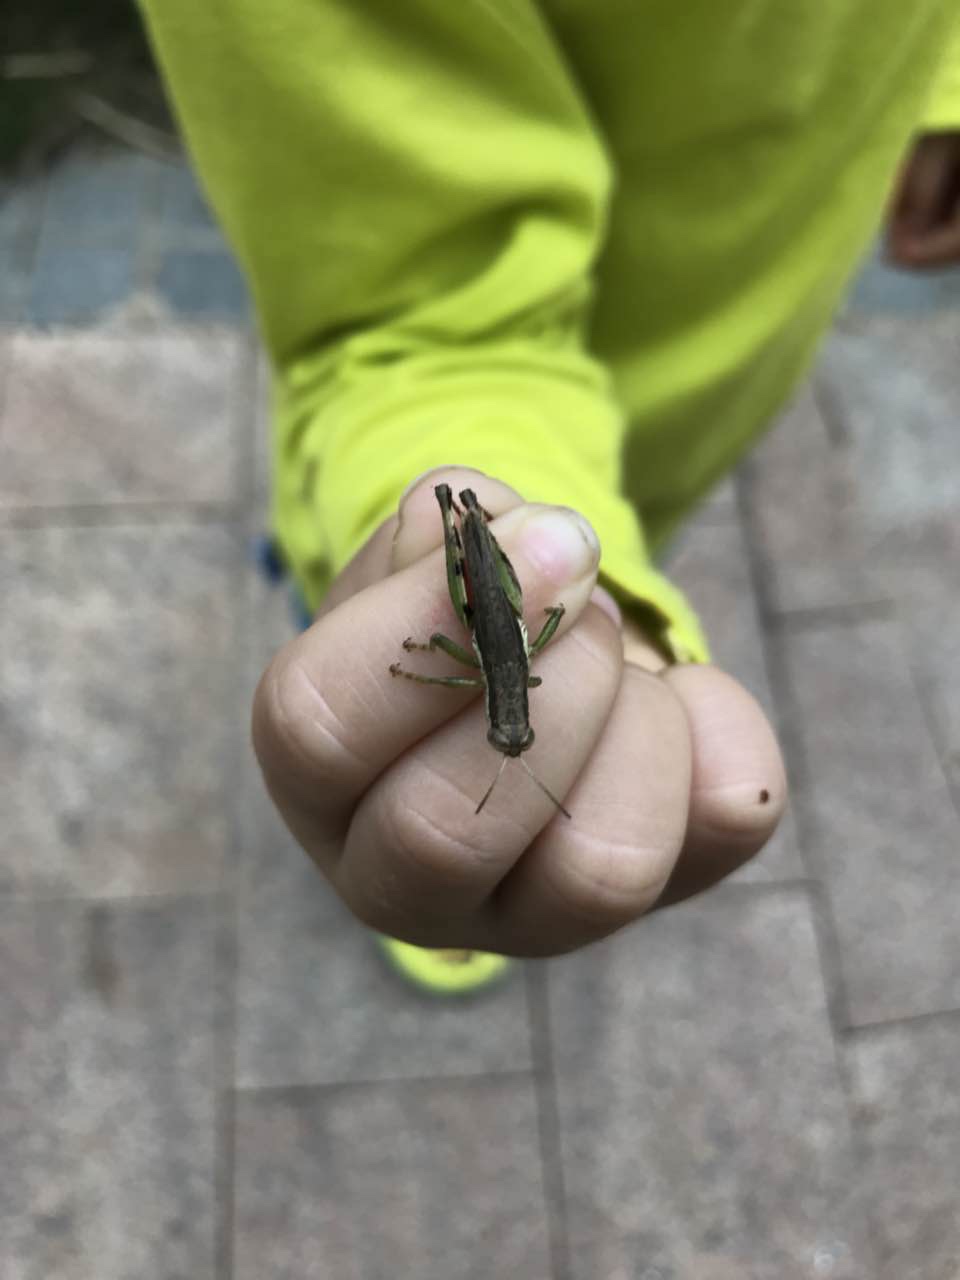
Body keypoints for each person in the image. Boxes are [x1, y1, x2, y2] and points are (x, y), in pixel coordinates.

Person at [141, 1, 960, 992]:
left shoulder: (507, 685)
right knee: (434, 582)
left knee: (557, 568)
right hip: (481, 485)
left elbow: (479, 657)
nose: (512, 731)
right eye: (514, 732)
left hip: (677, 424)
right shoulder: (507, 680)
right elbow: (470, 643)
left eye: (510, 734)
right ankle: (430, 877)